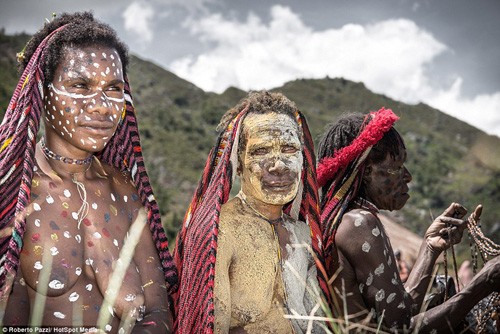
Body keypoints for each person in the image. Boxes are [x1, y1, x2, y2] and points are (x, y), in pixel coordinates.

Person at [0, 12, 177, 333]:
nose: (101, 105)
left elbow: (159, 311)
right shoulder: (12, 191)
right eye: (80, 85)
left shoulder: (125, 190)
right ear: (42, 91)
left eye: (113, 88)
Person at [315, 108, 500, 333]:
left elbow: (400, 311)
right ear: (366, 172)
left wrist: (430, 248)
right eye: (396, 167)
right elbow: (401, 330)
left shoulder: (346, 221)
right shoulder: (359, 223)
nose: (408, 176)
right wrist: (483, 283)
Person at [173, 91, 328, 333]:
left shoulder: (304, 234)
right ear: (239, 164)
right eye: (261, 151)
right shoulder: (218, 232)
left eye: (289, 149)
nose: (278, 165)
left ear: (303, 159)